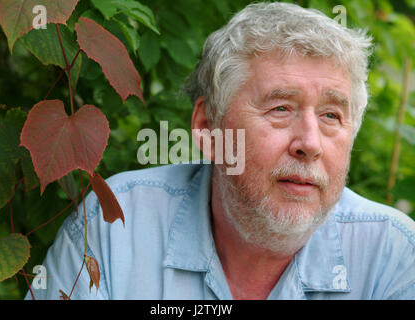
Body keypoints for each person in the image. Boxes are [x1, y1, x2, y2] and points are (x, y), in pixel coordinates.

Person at [26, 2, 415, 300]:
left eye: (332, 115)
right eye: (281, 108)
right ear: (207, 128)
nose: (310, 143)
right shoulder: (115, 227)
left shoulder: (394, 254)